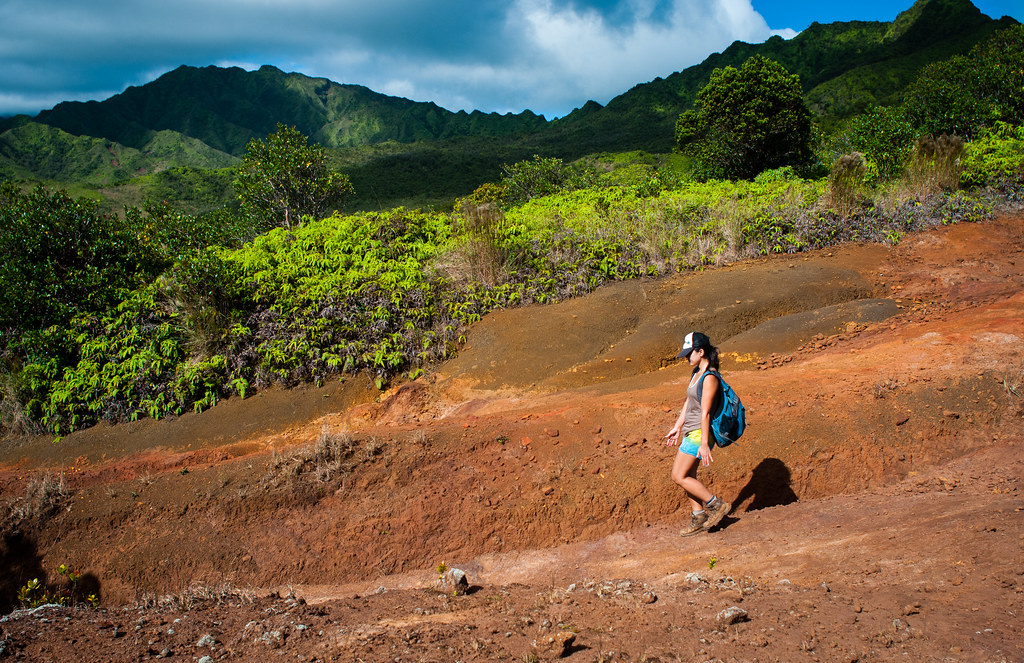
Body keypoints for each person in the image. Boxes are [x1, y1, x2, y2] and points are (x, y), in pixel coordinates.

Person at [664, 331, 732, 536]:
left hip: (699, 433)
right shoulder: (696, 373)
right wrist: (677, 427)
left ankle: (716, 505)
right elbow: (689, 402)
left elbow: (706, 412)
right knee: (688, 475)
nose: (686, 357)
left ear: (701, 351)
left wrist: (704, 443)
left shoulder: (709, 377)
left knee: (678, 476)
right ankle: (699, 516)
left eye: (689, 353)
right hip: (690, 430)